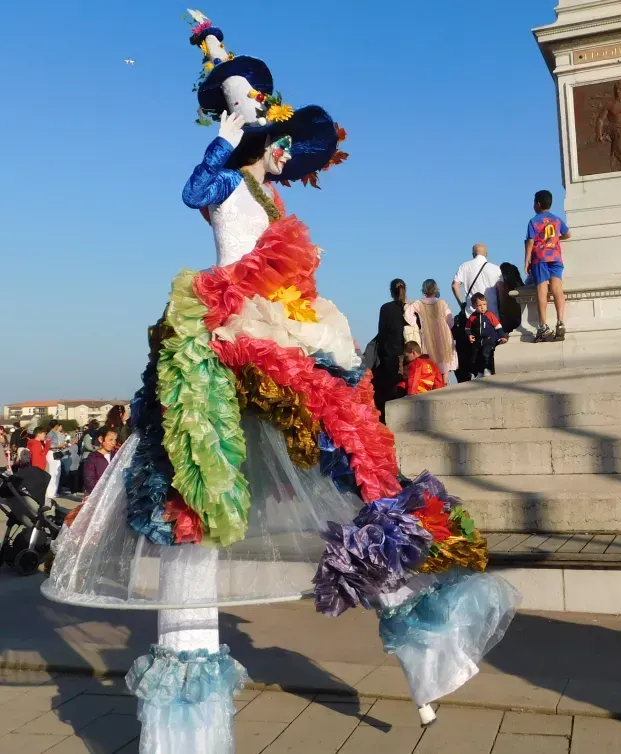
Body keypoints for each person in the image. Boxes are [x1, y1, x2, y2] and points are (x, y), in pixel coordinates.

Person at [43, 11, 516, 745]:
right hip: (228, 338)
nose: (284, 149)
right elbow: (194, 191)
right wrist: (225, 129)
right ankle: (186, 728)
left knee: (351, 476)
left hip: (289, 336)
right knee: (197, 495)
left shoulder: (272, 199)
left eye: (281, 137)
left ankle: (426, 651)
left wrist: (223, 68)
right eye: (274, 136)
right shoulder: (228, 182)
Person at [452, 244, 503, 383]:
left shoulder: (464, 266)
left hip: (472, 315)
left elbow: (455, 285)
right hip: (492, 314)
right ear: (486, 254)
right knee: (490, 345)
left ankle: (479, 372)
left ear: (473, 254)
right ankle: (489, 370)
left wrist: (462, 303)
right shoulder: (495, 268)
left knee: (475, 347)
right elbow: (501, 289)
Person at [525, 190, 571, 343]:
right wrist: (556, 238)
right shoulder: (556, 219)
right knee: (557, 288)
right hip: (555, 257)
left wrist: (527, 260)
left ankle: (543, 325)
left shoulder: (534, 221)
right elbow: (568, 234)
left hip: (540, 258)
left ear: (538, 204)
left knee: (542, 289)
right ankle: (560, 322)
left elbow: (530, 242)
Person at [405, 279, 458, 377]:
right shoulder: (442, 302)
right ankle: (445, 380)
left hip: (428, 331)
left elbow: (408, 315)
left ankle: (435, 381)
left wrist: (414, 323)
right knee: (444, 357)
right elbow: (450, 320)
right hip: (443, 331)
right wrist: (448, 327)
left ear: (423, 290)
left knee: (431, 358)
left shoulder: (419, 303)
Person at [372, 279, 408, 421]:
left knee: (387, 392)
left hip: (390, 356)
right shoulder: (410, 309)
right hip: (407, 356)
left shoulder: (385, 308)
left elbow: (382, 334)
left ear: (391, 292)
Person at [465, 293, 508, 379]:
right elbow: (467, 328)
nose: (482, 307)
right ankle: (480, 372)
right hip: (478, 341)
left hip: (489, 340)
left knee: (486, 354)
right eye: (479, 305)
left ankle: (487, 369)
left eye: (484, 304)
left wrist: (502, 336)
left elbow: (498, 327)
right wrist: (469, 335)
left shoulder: (490, 315)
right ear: (474, 306)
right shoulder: (472, 317)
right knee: (477, 356)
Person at [82, 428, 118, 501]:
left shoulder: (116, 456)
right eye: (110, 440)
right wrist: (100, 492)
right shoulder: (93, 458)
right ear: (101, 439)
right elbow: (89, 479)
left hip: (113, 496)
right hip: (97, 496)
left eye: (115, 440)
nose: (113, 443)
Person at [497, 262, 525, 333]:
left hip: (508, 314)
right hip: (519, 314)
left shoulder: (505, 284)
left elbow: (502, 297)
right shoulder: (521, 285)